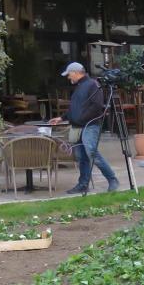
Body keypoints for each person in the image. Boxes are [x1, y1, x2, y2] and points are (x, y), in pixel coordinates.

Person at [49, 62, 119, 195]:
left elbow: (97, 106)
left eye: (69, 75)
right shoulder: (79, 86)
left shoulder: (92, 85)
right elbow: (74, 108)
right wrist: (62, 118)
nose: (69, 78)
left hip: (90, 125)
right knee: (82, 157)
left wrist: (81, 119)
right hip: (78, 126)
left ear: (76, 72)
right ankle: (83, 184)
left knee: (91, 152)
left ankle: (112, 180)